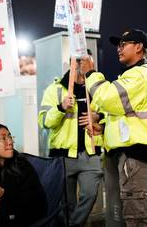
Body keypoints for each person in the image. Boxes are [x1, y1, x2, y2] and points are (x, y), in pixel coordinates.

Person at [81, 29, 147, 226]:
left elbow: (108, 98)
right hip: (134, 155)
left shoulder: (138, 75)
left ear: (139, 47)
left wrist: (90, 73)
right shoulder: (134, 74)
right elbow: (125, 116)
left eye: (124, 44)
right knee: (134, 214)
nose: (119, 49)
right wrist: (104, 129)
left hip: (136, 157)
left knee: (137, 217)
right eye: (118, 45)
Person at [38, 49, 104, 227]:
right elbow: (44, 121)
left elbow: (111, 115)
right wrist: (60, 107)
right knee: (66, 204)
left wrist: (99, 117)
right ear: (71, 64)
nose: (81, 64)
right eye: (78, 61)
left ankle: (74, 225)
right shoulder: (55, 89)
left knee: (90, 195)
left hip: (91, 154)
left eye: (86, 60)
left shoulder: (98, 88)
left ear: (91, 64)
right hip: (63, 156)